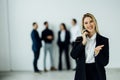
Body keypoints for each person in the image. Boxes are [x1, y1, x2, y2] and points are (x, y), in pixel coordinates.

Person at [71, 13, 109, 80]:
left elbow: (105, 62)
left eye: (91, 21)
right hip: (82, 72)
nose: (89, 25)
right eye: (86, 23)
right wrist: (83, 43)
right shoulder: (79, 40)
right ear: (83, 25)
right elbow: (73, 55)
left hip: (97, 73)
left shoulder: (104, 40)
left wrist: (97, 53)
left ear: (95, 22)